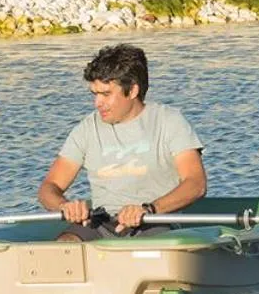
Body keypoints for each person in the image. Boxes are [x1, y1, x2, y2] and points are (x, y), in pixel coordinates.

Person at [37, 44, 208, 239]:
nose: (97, 103)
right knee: (65, 244)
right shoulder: (87, 128)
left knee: (151, 249)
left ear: (133, 90)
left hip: (154, 221)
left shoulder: (169, 121)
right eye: (95, 94)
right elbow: (49, 186)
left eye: (106, 94)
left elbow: (196, 183)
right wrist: (64, 206)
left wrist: (150, 209)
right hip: (101, 222)